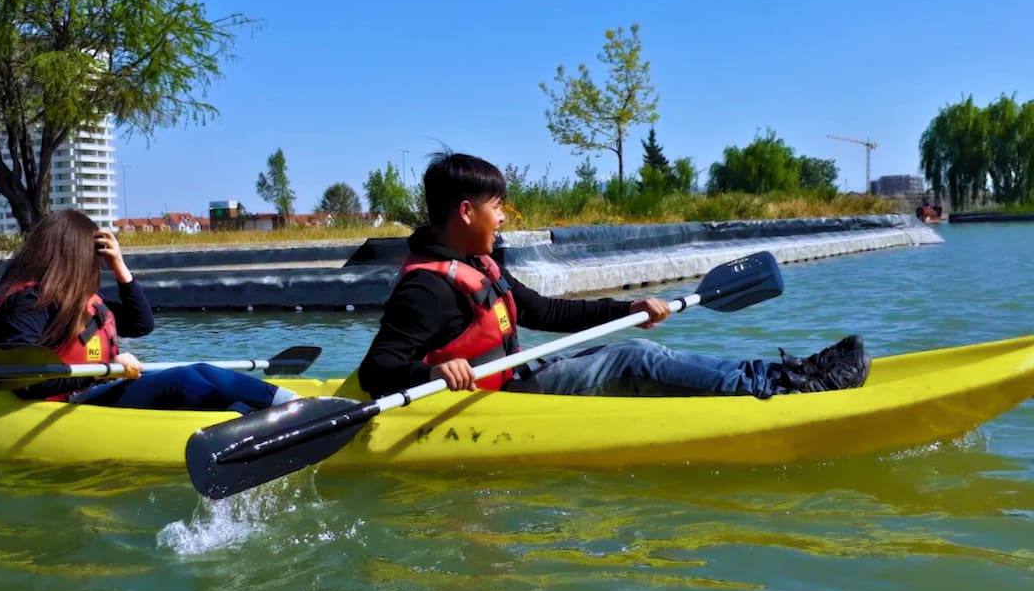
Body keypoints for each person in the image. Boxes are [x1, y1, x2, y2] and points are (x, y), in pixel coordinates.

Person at [357, 151, 870, 400]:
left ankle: (773, 374)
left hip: (513, 381)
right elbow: (377, 371)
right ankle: (782, 388)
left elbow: (544, 311)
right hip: (489, 405)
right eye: (499, 207)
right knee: (632, 357)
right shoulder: (427, 286)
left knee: (635, 346)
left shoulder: (481, 265)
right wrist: (435, 373)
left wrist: (627, 308)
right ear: (467, 213)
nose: (506, 216)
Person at [0, 209, 295, 412]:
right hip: (63, 405)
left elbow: (141, 324)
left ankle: (284, 404)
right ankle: (246, 419)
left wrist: (120, 268)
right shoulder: (27, 305)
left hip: (95, 391)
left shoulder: (77, 301)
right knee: (182, 380)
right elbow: (25, 379)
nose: (93, 263)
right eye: (92, 255)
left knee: (202, 370)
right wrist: (105, 368)